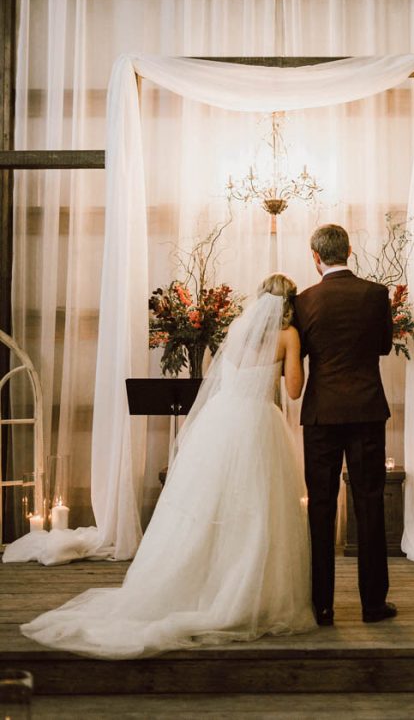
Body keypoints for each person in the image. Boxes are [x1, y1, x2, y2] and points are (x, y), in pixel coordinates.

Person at [21, 274, 315, 658]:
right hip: (259, 423)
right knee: (256, 510)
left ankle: (195, 583)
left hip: (221, 422)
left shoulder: (239, 328)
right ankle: (245, 591)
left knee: (206, 508)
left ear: (259, 300)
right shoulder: (288, 335)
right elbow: (293, 389)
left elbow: (225, 376)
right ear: (291, 304)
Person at [294, 224, 396, 626]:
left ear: (315, 257)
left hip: (321, 413)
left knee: (320, 507)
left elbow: (298, 356)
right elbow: (385, 346)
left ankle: (322, 606)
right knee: (369, 504)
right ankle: (373, 605)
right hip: (367, 410)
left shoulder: (304, 301)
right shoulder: (375, 295)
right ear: (349, 251)